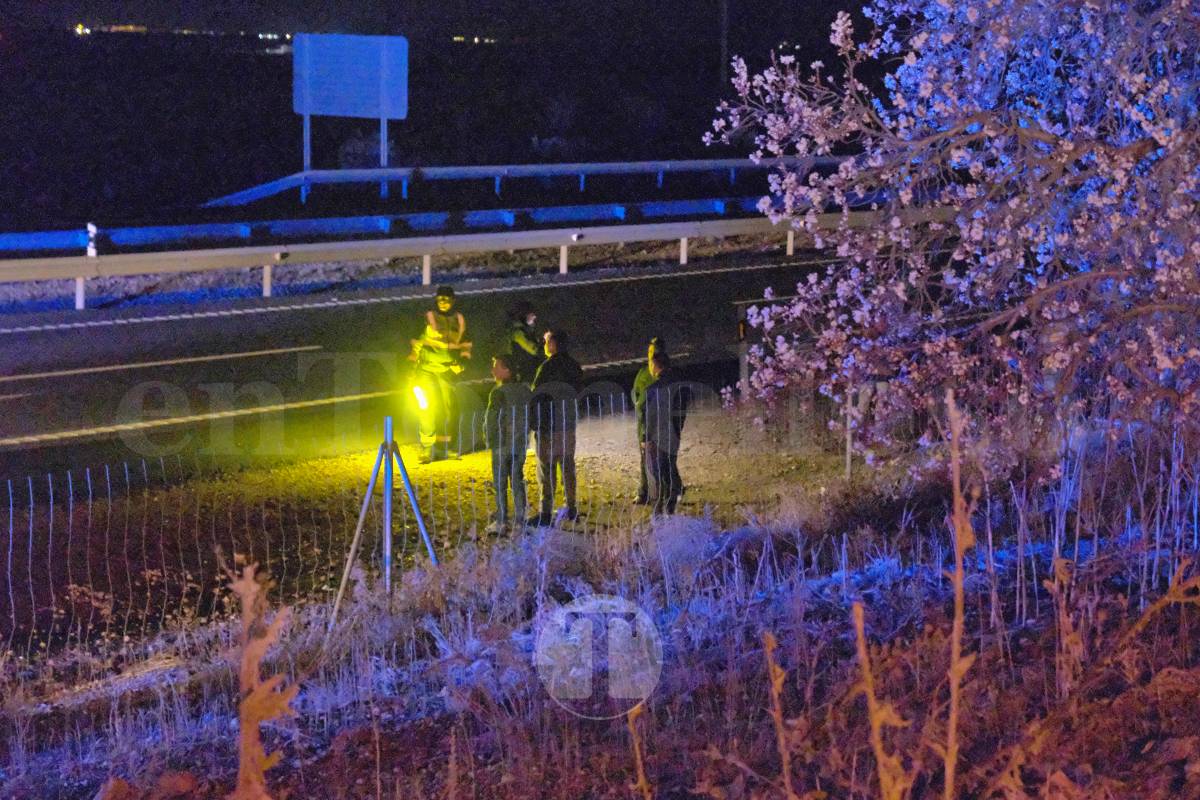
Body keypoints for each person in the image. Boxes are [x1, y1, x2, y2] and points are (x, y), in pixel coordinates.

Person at [409, 286, 472, 463]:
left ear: (453, 300)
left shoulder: (459, 319)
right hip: (427, 369)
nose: (443, 302)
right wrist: (411, 368)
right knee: (426, 407)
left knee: (448, 410)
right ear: (436, 300)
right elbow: (416, 342)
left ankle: (445, 448)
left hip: (446, 371)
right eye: (440, 299)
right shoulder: (428, 318)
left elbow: (466, 344)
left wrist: (463, 362)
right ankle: (428, 448)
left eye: (447, 299)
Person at [529, 329, 584, 526]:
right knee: (568, 466)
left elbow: (536, 396)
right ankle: (571, 507)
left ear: (553, 344)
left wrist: (533, 423)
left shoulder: (546, 368)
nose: (544, 345)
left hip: (548, 425)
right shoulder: (574, 366)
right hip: (567, 424)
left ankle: (546, 511)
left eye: (546, 341)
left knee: (547, 469)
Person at [484, 354, 531, 535]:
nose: (493, 370)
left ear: (506, 371)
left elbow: (492, 420)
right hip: (519, 443)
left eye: (497, 366)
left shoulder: (498, 393)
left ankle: (502, 521)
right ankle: (520, 521)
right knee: (517, 480)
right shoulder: (525, 390)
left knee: (500, 483)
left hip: (502, 444)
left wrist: (489, 439)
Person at [643, 352, 690, 515]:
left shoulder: (652, 390)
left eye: (650, 363)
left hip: (658, 435)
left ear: (655, 365)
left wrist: (647, 438)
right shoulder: (681, 387)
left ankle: (662, 506)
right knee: (670, 465)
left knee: (659, 471)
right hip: (674, 431)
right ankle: (673, 497)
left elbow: (650, 416)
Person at [631, 336, 665, 505]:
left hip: (660, 425)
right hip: (644, 424)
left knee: (662, 461)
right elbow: (636, 394)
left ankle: (661, 494)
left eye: (655, 351)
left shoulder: (663, 373)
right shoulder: (643, 373)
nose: (651, 354)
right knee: (645, 460)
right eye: (650, 351)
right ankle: (644, 491)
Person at [502, 301, 542, 383]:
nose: (534, 317)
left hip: (528, 373)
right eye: (531, 314)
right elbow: (534, 350)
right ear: (524, 316)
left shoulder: (527, 332)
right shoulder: (518, 333)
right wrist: (545, 344)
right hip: (525, 375)